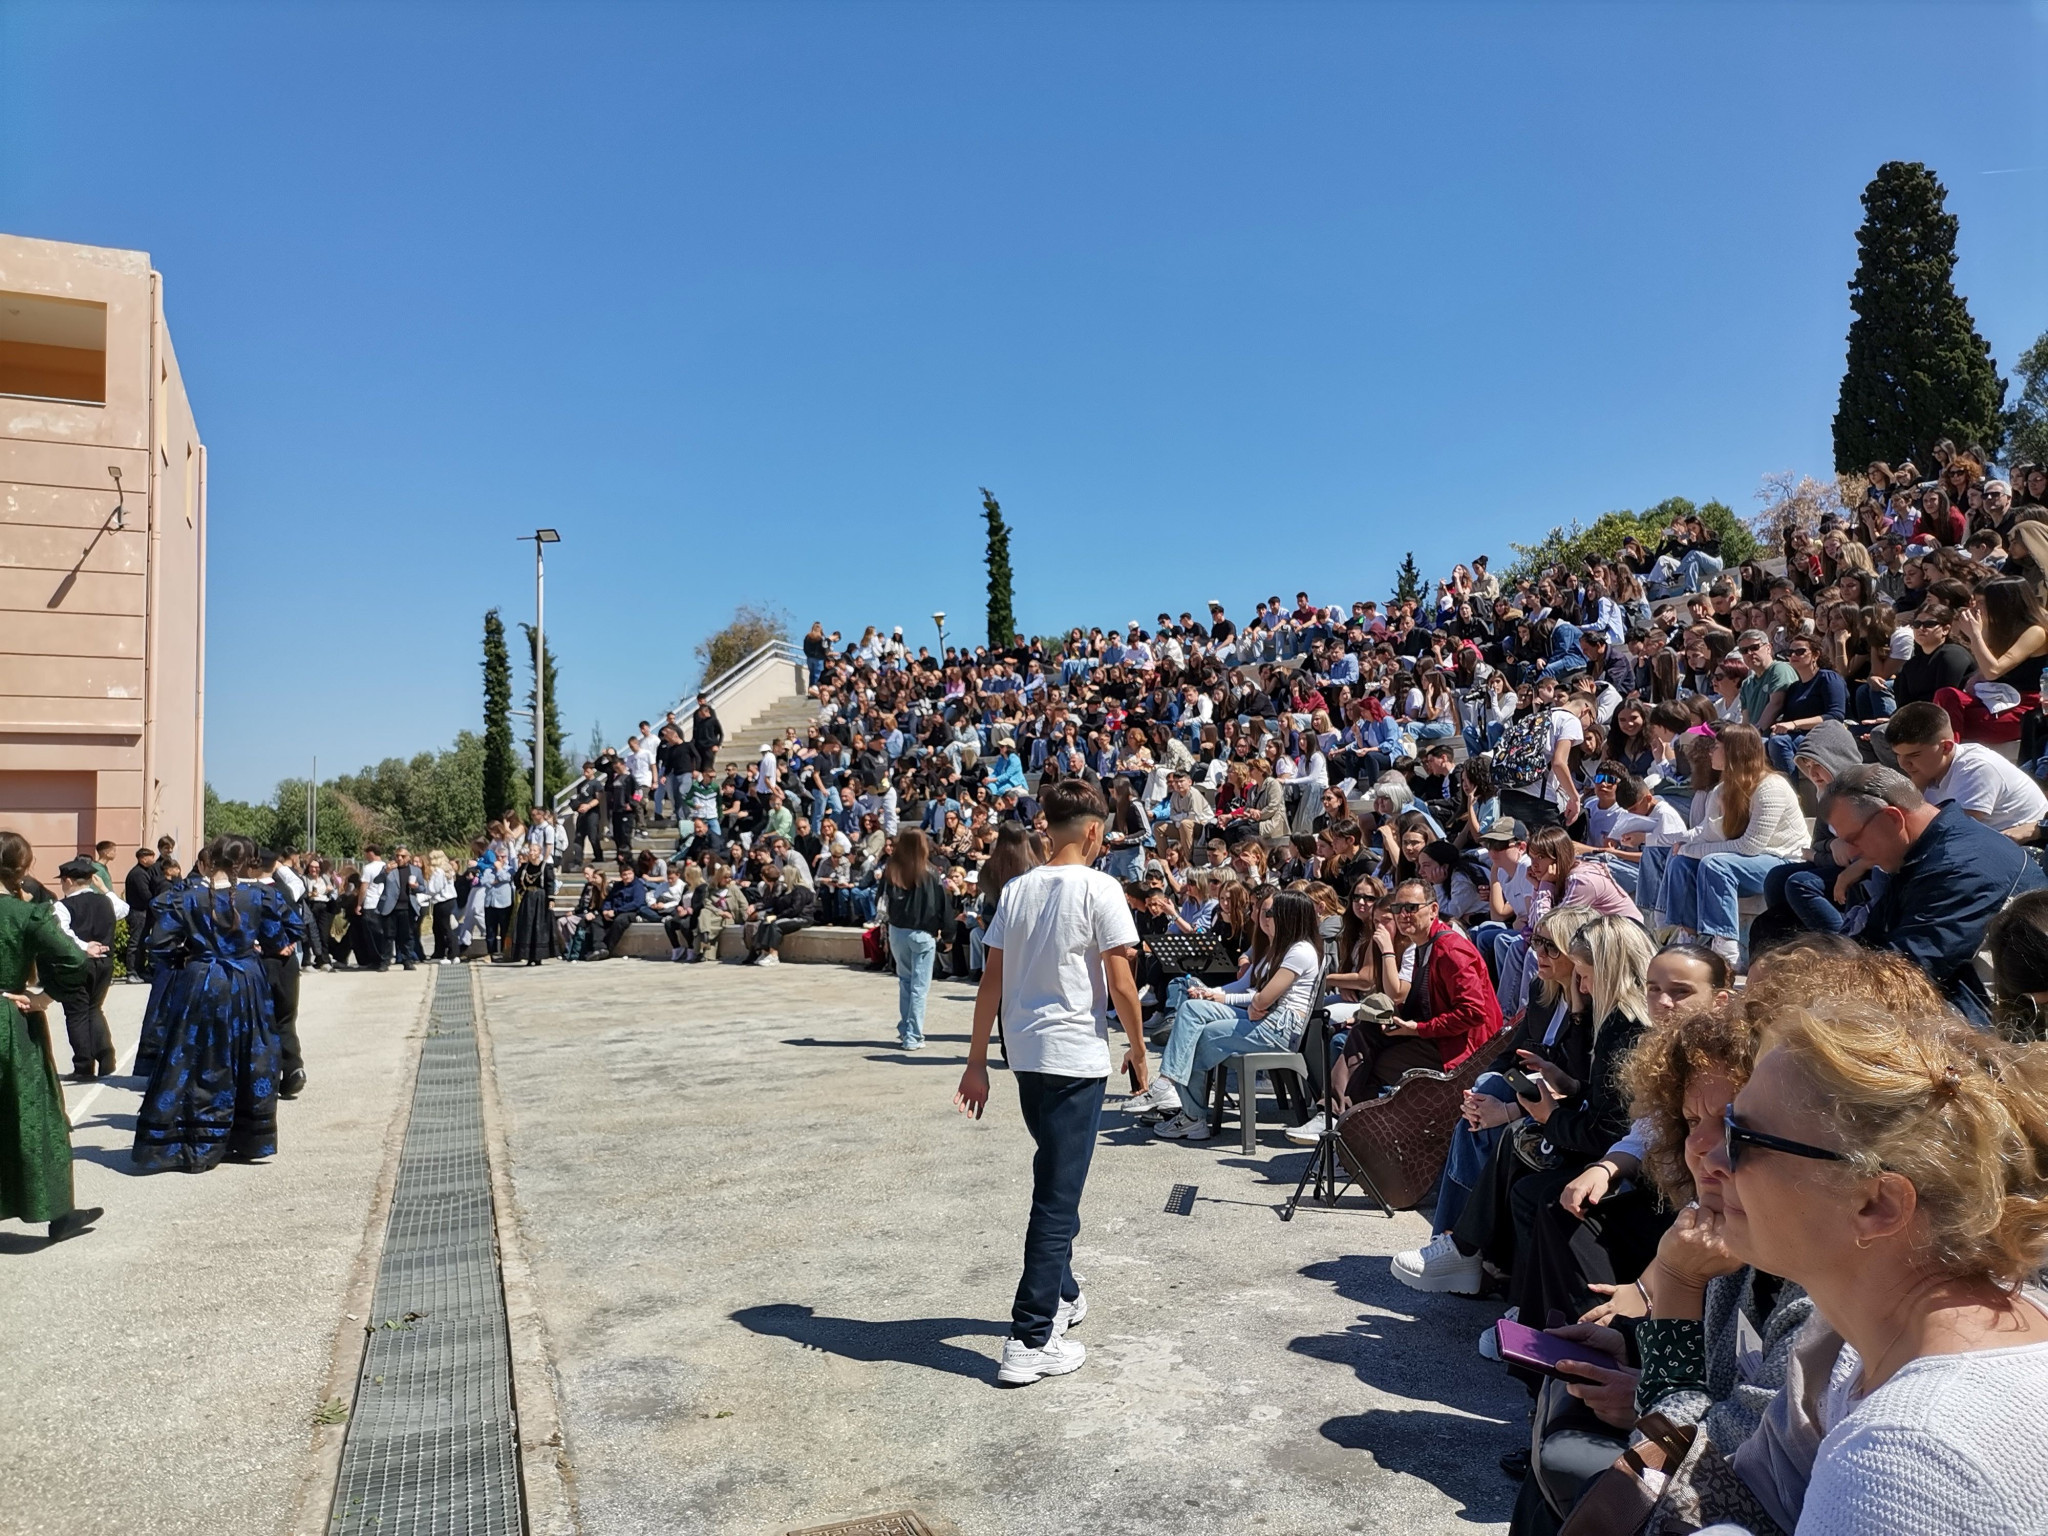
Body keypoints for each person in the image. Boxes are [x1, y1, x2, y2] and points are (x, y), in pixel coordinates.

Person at [1712, 993, 2048, 1534]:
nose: (1710, 1158)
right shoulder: (2013, 1320)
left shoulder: (1904, 1462)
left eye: (1742, 1138)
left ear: (1877, 1204)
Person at [954, 778, 1149, 1387]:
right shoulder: (1102, 887)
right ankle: (1031, 1336)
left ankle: (1062, 1291)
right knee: (1057, 1198)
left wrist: (976, 1061)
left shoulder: (1016, 889)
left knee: (1055, 1178)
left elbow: (991, 981)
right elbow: (1121, 983)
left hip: (1027, 1056)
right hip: (1074, 1057)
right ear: (1094, 832)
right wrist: (1140, 1048)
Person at [1819, 764, 2047, 1024]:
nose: (1851, 853)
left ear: (1893, 819)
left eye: (1854, 839)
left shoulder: (1960, 868)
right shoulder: (1927, 851)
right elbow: (1871, 941)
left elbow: (1900, 977)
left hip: (1996, 1028)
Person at [132, 834, 284, 1174]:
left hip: (200, 981)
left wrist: (187, 958)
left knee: (193, 1056)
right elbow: (282, 936)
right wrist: (250, 947)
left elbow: (160, 945)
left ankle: (187, 1141)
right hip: (246, 982)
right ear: (246, 862)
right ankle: (245, 1138)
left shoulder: (184, 896)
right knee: (247, 1054)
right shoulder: (260, 896)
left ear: (209, 859)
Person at [1139, 889, 1323, 1140]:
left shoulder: (1300, 951)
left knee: (1196, 1037)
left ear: (1289, 916)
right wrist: (1235, 998)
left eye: (1271, 912)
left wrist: (1247, 1001)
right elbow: (1258, 995)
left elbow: (1263, 998)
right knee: (1192, 1011)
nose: (1265, 917)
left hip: (1280, 1028)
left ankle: (1190, 1114)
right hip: (1269, 1020)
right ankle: (1171, 1090)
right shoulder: (1282, 948)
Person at [0, 832, 103, 1243]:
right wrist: (44, 996)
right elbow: (73, 959)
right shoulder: (28, 915)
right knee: (33, 1113)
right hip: (10, 1020)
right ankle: (57, 1213)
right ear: (23, 870)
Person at [1329, 878, 1503, 1109]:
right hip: (1439, 1036)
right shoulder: (1425, 945)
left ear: (1433, 910)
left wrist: (1419, 1029)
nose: (1403, 915)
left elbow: (1473, 1013)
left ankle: (1348, 1121)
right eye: (1398, 908)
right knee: (1364, 1031)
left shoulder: (1451, 950)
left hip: (1464, 1047)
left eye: (1411, 908)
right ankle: (1340, 1116)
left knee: (1376, 1063)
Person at [1658, 724, 1808, 970]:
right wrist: (1679, 842)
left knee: (1714, 864)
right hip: (1746, 861)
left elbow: (1750, 846)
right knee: (1680, 861)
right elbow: (1705, 832)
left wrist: (1690, 849)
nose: (1710, 753)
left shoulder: (1771, 787)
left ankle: (1726, 946)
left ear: (1734, 752)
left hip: (1782, 859)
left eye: (1717, 747)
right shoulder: (1722, 789)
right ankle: (1688, 937)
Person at [1885, 700, 2047, 840]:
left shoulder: (1976, 768)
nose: (1903, 764)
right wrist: (1917, 786)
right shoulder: (1929, 769)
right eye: (1898, 755)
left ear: (1946, 747)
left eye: (1914, 755)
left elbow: (1951, 833)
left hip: (2028, 846)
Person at [882, 827, 951, 1051]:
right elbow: (942, 905)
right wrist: (948, 934)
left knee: (905, 982)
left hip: (898, 931)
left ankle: (905, 1029)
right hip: (922, 934)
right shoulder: (930, 873)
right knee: (919, 988)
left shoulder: (892, 870)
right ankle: (913, 1035)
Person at [53, 857, 118, 1080]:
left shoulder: (62, 906)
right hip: (105, 962)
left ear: (68, 880)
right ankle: (106, 1054)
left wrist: (84, 946)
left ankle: (84, 1065)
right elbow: (124, 909)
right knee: (94, 1007)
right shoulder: (105, 901)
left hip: (79, 962)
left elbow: (63, 934)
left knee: (76, 1013)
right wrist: (106, 890)